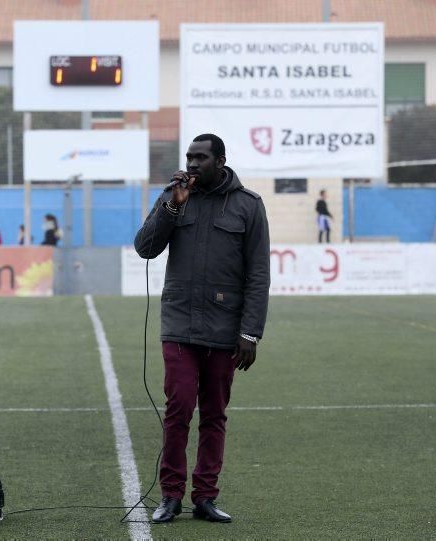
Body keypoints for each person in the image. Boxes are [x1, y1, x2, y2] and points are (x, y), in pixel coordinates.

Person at [134, 133, 270, 524]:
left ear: (221, 161)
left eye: (201, 158)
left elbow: (258, 275)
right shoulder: (174, 196)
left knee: (214, 414)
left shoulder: (249, 206)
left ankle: (206, 497)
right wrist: (171, 209)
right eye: (189, 157)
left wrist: (250, 333)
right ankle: (170, 496)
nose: (192, 164)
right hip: (179, 325)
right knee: (177, 409)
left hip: (226, 330)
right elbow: (145, 247)